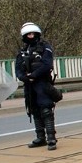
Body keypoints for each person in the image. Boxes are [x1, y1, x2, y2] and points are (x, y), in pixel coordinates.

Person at [15, 22, 58, 150]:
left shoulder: (45, 47)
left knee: (46, 110)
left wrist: (34, 75)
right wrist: (24, 77)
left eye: (33, 33)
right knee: (34, 110)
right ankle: (40, 137)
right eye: (28, 34)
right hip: (29, 86)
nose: (31, 36)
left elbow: (47, 64)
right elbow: (17, 68)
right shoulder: (22, 51)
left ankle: (51, 138)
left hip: (43, 84)